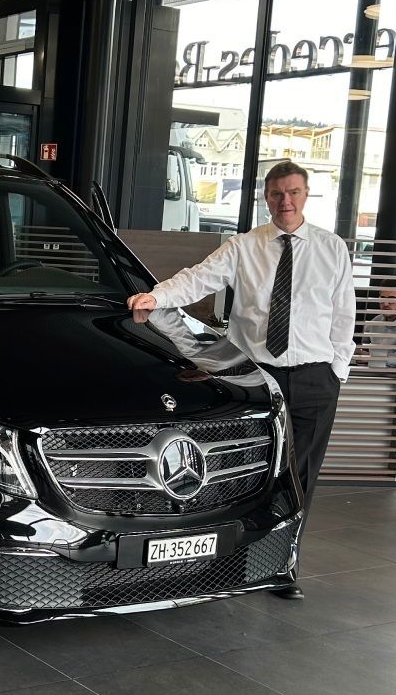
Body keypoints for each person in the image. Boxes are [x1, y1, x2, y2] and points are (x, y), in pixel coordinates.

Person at [126, 160, 355, 600]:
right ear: (266, 198)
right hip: (254, 378)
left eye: (293, 192)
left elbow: (344, 314)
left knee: (299, 476)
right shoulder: (244, 246)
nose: (284, 201)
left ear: (306, 195)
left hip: (313, 378)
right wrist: (156, 296)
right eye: (276, 194)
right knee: (242, 473)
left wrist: (336, 372)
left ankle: (284, 566)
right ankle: (227, 564)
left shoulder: (332, 248)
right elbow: (199, 279)